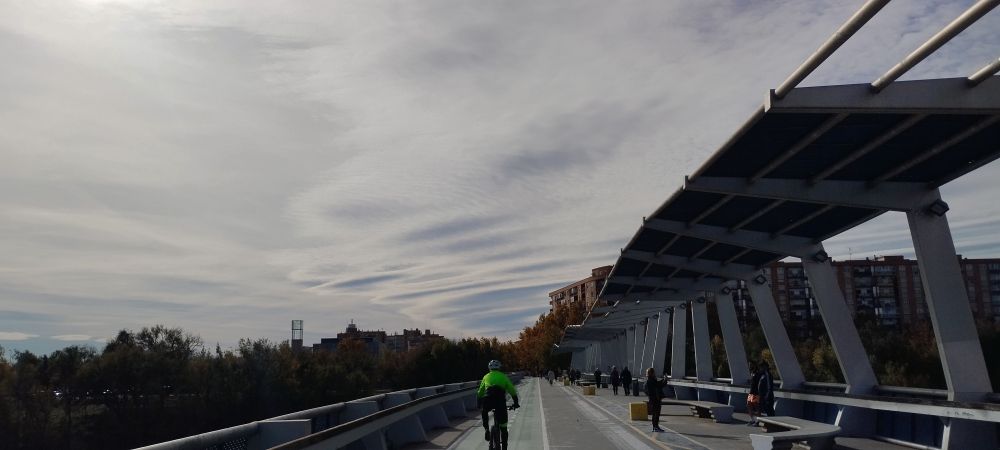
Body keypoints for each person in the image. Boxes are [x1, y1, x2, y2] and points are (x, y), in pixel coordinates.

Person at [477, 360, 519, 449]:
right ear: (499, 368)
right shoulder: (503, 376)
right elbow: (511, 389)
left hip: (488, 401)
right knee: (503, 428)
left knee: (484, 411)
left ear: (489, 368)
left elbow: (480, 392)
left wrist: (479, 403)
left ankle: (486, 429)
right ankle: (504, 447)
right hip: (500, 402)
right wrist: (515, 402)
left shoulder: (486, 376)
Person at [645, 367, 665, 432]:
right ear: (652, 373)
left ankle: (655, 426)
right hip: (655, 399)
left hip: (653, 399)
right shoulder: (651, 380)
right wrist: (665, 380)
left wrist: (663, 380)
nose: (655, 373)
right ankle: (655, 427)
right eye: (654, 372)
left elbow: (657, 384)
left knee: (655, 413)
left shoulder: (650, 379)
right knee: (656, 413)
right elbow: (659, 385)